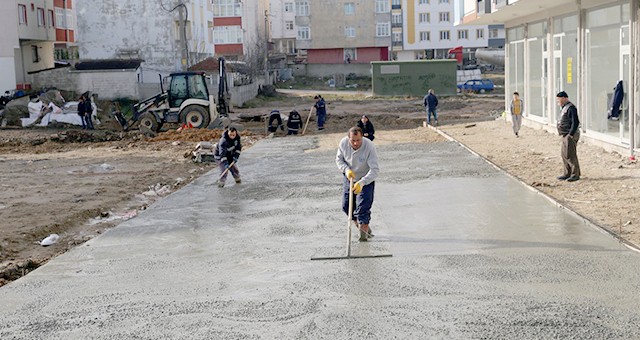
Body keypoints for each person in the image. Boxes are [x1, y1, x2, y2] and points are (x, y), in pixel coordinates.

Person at [336, 126, 380, 242]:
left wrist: (362, 182)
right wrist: (346, 170)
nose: (355, 143)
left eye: (358, 140)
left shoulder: (369, 146)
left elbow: (375, 170)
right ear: (348, 138)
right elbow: (339, 160)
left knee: (363, 208)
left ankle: (363, 234)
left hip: (366, 179)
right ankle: (361, 224)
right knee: (346, 206)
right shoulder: (343, 143)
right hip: (350, 176)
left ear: (362, 137)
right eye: (353, 140)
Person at [555, 91, 581, 182]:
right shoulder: (564, 108)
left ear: (564, 98)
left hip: (570, 134)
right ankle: (567, 173)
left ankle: (575, 174)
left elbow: (575, 122)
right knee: (564, 154)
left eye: (559, 99)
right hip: (565, 134)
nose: (558, 101)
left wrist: (571, 134)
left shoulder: (571, 108)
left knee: (570, 155)